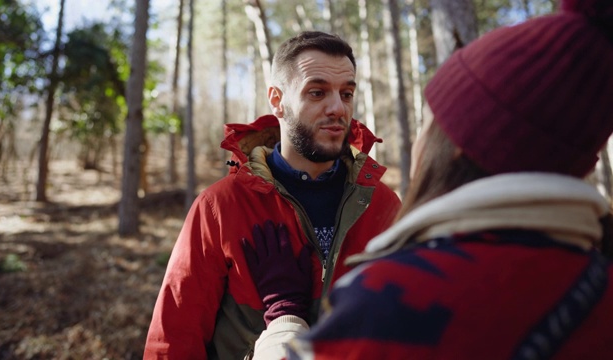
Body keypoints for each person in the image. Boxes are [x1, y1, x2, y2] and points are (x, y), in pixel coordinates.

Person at [244, 1, 613, 358]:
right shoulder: (598, 285)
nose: (339, 108)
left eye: (429, 120)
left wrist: (284, 315)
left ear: (453, 146)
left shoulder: (391, 305)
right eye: (317, 91)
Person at [143, 31, 402, 359]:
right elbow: (173, 340)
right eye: (317, 92)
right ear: (277, 100)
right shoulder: (220, 207)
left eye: (347, 93)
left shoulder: (383, 205)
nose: (338, 108)